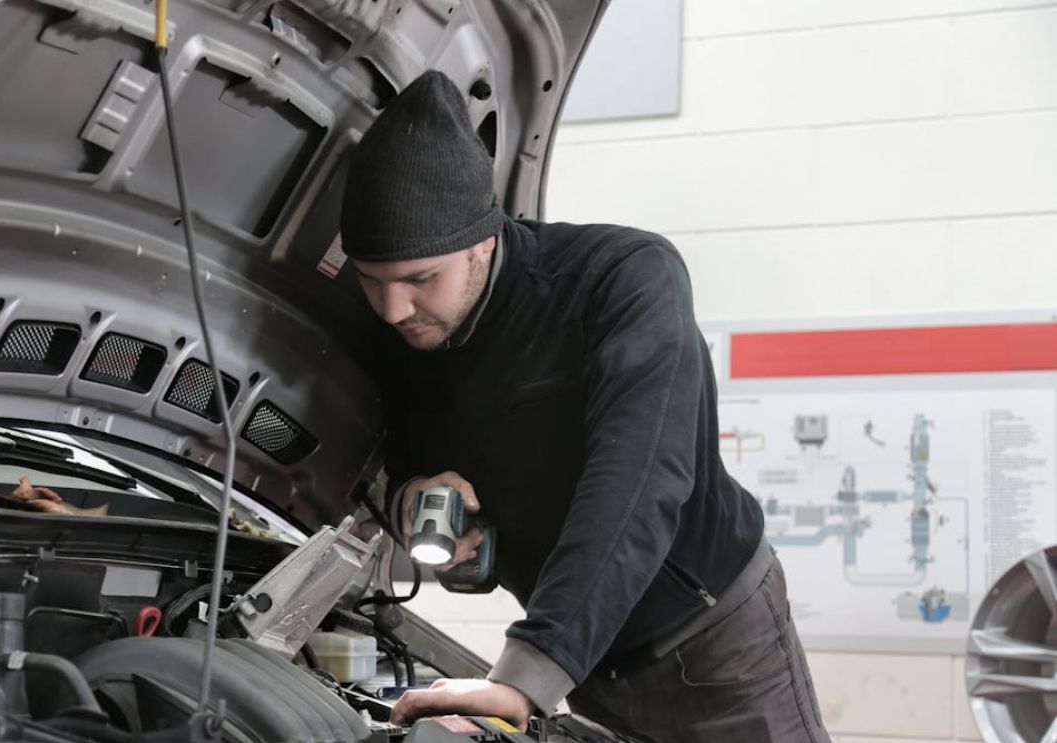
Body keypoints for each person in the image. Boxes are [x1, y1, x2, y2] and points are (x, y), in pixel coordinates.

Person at [340, 70, 830, 742]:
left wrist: (529, 671)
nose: (395, 308)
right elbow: (395, 455)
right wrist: (408, 498)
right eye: (371, 281)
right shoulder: (398, 334)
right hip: (586, 663)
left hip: (715, 646)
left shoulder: (621, 279)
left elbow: (638, 480)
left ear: (485, 238)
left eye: (421, 278)